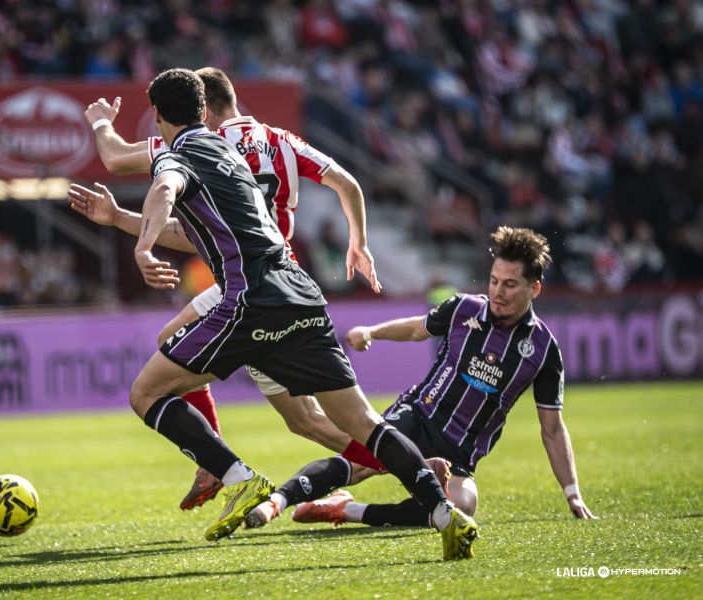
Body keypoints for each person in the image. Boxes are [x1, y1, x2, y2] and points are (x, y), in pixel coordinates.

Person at [98, 68, 477, 558]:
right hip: (299, 290)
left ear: (157, 115)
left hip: (247, 298)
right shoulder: (254, 147)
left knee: (147, 391)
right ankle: (444, 512)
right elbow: (340, 183)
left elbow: (162, 188)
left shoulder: (181, 152)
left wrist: (142, 244)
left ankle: (234, 475)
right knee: (359, 422)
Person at [70, 67, 383, 511]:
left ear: (204, 110)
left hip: (244, 283)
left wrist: (101, 121)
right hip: (286, 276)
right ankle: (394, 458)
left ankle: (216, 463)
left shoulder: (201, 144)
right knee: (306, 419)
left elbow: (117, 158)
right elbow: (347, 183)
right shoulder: (283, 141)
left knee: (164, 361)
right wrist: (360, 244)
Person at [247, 226, 597, 531]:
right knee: (361, 462)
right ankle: (278, 500)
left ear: (534, 289)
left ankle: (346, 511)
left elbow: (552, 428)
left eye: (510, 284)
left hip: (460, 452)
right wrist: (372, 330)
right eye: (493, 281)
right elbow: (417, 329)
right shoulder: (464, 308)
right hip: (418, 415)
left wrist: (573, 493)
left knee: (462, 507)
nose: (498, 292)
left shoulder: (543, 348)